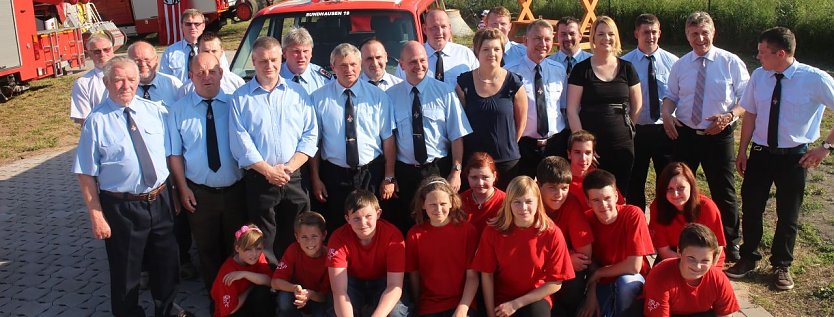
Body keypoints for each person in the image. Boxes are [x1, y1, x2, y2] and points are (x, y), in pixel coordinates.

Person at [726, 26, 834, 290]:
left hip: (795, 158)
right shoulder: (760, 76)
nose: (758, 56)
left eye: (763, 52)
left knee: (788, 214)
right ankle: (748, 257)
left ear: (781, 53)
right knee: (751, 207)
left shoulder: (815, 79)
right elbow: (750, 113)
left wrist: (826, 147)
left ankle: (781, 265)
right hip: (761, 154)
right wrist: (743, 151)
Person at [73, 56, 180, 317]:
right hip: (122, 207)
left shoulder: (154, 111)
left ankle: (166, 309)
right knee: (126, 272)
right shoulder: (96, 121)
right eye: (118, 80)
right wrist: (96, 216)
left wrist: (175, 193)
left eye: (131, 79)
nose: (125, 86)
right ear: (106, 82)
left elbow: (169, 156)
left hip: (160, 198)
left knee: (167, 263)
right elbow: (86, 174)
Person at [661, 11, 749, 262]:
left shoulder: (730, 62)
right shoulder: (681, 65)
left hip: (718, 135)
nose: (700, 38)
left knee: (724, 190)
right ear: (687, 36)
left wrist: (729, 116)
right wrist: (667, 113)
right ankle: (679, 235)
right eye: (694, 34)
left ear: (713, 32)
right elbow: (671, 96)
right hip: (686, 134)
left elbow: (747, 100)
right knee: (678, 187)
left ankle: (730, 241)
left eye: (704, 33)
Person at [229, 36, 318, 264]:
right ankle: (269, 287)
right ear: (254, 61)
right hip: (261, 179)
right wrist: (269, 171)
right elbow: (241, 142)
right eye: (263, 61)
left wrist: (288, 168)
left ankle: (297, 280)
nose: (269, 66)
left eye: (274, 60)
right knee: (263, 238)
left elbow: (310, 135)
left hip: (294, 176)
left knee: (299, 233)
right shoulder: (240, 99)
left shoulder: (298, 94)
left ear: (282, 58)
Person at [168, 52, 248, 293]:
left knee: (237, 247)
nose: (207, 77)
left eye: (212, 71)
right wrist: (182, 189)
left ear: (221, 74)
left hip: (236, 191)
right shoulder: (178, 110)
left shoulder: (237, 104)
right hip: (199, 194)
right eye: (200, 72)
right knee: (207, 249)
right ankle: (217, 296)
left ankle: (239, 296)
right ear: (190, 76)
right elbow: (175, 155)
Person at [387, 41, 472, 234]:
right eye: (413, 62)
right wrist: (390, 175)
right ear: (401, 65)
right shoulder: (390, 96)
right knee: (409, 223)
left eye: (422, 60)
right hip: (406, 172)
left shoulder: (445, 92)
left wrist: (456, 171)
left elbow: (457, 135)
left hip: (438, 168)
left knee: (441, 222)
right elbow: (389, 139)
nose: (419, 66)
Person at [310, 43, 396, 233]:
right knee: (338, 226)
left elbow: (388, 140)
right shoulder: (318, 99)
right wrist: (316, 178)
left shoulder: (378, 97)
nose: (349, 70)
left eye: (353, 64)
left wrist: (389, 177)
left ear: (360, 64)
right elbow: (314, 143)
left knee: (371, 226)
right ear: (332, 66)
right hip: (334, 175)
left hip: (371, 173)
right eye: (342, 65)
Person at [471, 176, 575, 317]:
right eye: (517, 202)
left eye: (528, 201)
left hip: (535, 297)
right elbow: (486, 274)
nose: (523, 208)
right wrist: (491, 314)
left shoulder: (551, 233)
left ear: (538, 201)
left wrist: (516, 304)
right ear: (509, 203)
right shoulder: (493, 231)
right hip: (501, 299)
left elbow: (555, 282)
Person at [566, 16, 642, 195]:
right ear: (592, 37)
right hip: (593, 148)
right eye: (600, 34)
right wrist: (584, 147)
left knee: (620, 192)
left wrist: (626, 128)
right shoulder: (581, 70)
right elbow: (572, 109)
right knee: (593, 192)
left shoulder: (627, 68)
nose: (606, 38)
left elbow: (637, 104)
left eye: (610, 34)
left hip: (622, 144)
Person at [456, 28, 528, 190]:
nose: (492, 54)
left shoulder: (514, 83)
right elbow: (458, 126)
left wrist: (506, 144)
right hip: (474, 164)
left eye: (496, 49)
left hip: (507, 162)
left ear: (502, 52)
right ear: (477, 52)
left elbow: (521, 122)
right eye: (486, 49)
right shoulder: (464, 84)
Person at [621, 14, 679, 211]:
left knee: (666, 180)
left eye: (654, 32)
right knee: (635, 180)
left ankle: (664, 222)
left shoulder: (673, 62)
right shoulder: (624, 64)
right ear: (636, 33)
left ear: (660, 33)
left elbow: (679, 95)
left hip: (665, 130)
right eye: (646, 32)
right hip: (636, 129)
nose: (650, 36)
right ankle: (638, 223)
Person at [580, 169, 654, 317]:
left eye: (607, 198)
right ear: (588, 202)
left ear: (616, 196)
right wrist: (591, 292)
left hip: (633, 280)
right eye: (596, 200)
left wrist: (598, 273)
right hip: (604, 282)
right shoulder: (586, 220)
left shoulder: (632, 214)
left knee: (626, 283)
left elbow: (634, 267)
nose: (603, 205)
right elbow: (590, 261)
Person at [327, 190, 411, 317]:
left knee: (396, 313)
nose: (363, 223)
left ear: (378, 214)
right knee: (335, 310)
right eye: (356, 218)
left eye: (368, 216)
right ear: (347, 219)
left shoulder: (393, 236)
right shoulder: (338, 238)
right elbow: (340, 291)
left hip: (384, 282)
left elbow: (394, 286)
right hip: (352, 283)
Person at [406, 176, 479, 317]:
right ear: (422, 204)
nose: (438, 209)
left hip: (462, 303)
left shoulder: (467, 231)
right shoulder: (415, 234)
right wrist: (418, 306)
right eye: (432, 204)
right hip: (429, 306)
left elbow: (472, 276)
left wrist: (462, 309)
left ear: (452, 202)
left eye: (443, 203)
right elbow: (414, 275)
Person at [505, 19, 569, 178]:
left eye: (547, 39)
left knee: (553, 192)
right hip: (524, 144)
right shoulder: (510, 72)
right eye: (537, 38)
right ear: (526, 41)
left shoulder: (559, 70)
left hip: (555, 144)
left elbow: (563, 106)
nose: (543, 43)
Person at [536, 156, 593, 317]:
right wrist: (565, 259)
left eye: (564, 188)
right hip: (532, 271)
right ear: (538, 185)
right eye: (552, 188)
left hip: (555, 273)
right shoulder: (527, 203)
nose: (559, 194)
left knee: (575, 279)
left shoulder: (571, 203)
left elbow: (584, 256)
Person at [643, 224, 740, 317]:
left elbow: (725, 314)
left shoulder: (718, 279)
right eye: (691, 258)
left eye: (705, 260)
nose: (697, 266)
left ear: (713, 259)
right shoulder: (660, 276)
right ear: (679, 252)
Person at [649, 162, 727, 267]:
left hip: (706, 260)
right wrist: (686, 266)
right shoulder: (658, 206)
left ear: (691, 185)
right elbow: (664, 251)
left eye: (681, 188)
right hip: (673, 256)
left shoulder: (707, 207)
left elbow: (717, 247)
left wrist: (698, 267)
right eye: (669, 189)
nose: (675, 194)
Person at [397, 9, 478, 89]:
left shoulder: (465, 54)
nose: (439, 32)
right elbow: (399, 89)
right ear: (424, 29)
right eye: (434, 27)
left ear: (449, 28)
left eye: (443, 27)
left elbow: (479, 84)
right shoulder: (410, 58)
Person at [273, 211, 332, 317]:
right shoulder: (293, 250)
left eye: (314, 236)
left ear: (324, 235)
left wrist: (310, 294)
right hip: (296, 297)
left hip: (317, 300)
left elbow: (325, 296)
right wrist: (295, 288)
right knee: (284, 299)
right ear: (297, 237)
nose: (309, 242)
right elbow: (275, 282)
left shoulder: (330, 256)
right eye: (304, 237)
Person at [211, 225, 274, 317]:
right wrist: (250, 289)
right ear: (237, 248)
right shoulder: (228, 272)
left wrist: (245, 274)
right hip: (233, 310)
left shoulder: (258, 257)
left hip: (247, 302)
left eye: (258, 248)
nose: (254, 254)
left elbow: (270, 281)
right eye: (248, 249)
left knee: (263, 292)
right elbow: (230, 310)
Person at [159, 9, 228, 83]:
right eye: (188, 24)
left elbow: (225, 77)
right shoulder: (169, 53)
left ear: (203, 26)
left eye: (197, 24)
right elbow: (164, 81)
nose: (192, 27)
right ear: (182, 26)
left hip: (208, 93)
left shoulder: (214, 50)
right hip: (179, 94)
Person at [566, 130, 624, 211]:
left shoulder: (601, 178)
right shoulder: (562, 181)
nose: (583, 158)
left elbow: (621, 208)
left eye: (588, 153)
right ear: (569, 154)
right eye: (577, 152)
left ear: (593, 155)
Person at [179, 32, 246, 97]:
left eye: (214, 51)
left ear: (221, 52)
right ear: (198, 52)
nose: (210, 55)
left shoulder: (237, 84)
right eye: (206, 51)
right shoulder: (187, 89)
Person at [547, 17, 592, 113]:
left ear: (580, 36)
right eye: (563, 34)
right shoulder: (547, 63)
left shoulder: (592, 62)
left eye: (572, 33)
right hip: (557, 118)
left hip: (586, 116)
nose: (568, 38)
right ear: (556, 36)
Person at [70, 34, 114, 124]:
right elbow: (84, 121)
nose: (102, 54)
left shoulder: (131, 75)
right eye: (97, 52)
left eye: (106, 50)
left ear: (112, 50)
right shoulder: (83, 84)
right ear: (89, 54)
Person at [460, 152, 506, 237]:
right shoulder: (459, 201)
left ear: (494, 176)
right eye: (474, 177)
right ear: (467, 176)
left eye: (485, 177)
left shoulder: (505, 201)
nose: (480, 183)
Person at [128, 41, 183, 110]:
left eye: (147, 60)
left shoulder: (172, 83)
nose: (142, 64)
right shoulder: (123, 87)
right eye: (137, 60)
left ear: (156, 60)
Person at [280, 27, 334, 94]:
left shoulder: (324, 80)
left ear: (311, 53)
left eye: (305, 51)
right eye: (296, 51)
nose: (302, 56)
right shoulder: (274, 77)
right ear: (284, 53)